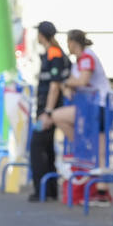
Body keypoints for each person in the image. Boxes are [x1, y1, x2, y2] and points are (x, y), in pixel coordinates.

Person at [27, 21, 72, 202]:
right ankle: (50, 190)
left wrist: (47, 112)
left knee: (37, 147)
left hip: (49, 111)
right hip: (47, 110)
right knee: (47, 149)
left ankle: (42, 190)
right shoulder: (50, 53)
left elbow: (55, 86)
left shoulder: (54, 54)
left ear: (42, 35)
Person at [45, 29, 110, 146]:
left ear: (72, 43)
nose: (67, 46)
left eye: (67, 42)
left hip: (99, 106)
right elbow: (73, 82)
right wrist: (68, 85)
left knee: (100, 152)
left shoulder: (87, 56)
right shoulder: (80, 59)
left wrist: (67, 84)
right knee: (98, 149)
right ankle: (82, 147)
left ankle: (81, 146)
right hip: (91, 105)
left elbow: (81, 81)